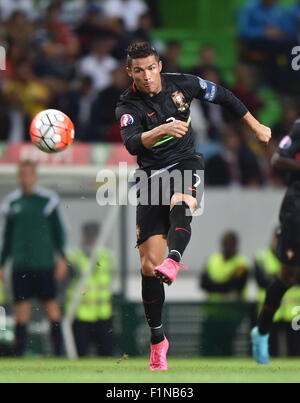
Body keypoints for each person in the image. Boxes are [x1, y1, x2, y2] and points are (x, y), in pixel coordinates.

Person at [115, 41, 271, 371]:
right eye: (139, 70)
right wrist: (161, 129)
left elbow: (225, 96)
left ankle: (175, 259)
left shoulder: (183, 83)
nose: (146, 76)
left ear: (159, 65)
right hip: (150, 177)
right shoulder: (127, 105)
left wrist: (255, 125)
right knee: (147, 265)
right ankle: (158, 339)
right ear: (130, 72)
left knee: (182, 199)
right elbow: (131, 144)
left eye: (151, 67)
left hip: (186, 161)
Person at [0, 160, 68, 356]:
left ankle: (58, 354)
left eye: (29, 174)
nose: (26, 178)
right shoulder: (12, 203)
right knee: (21, 313)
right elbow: (6, 237)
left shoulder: (48, 201)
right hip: (21, 265)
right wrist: (2, 264)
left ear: (35, 176)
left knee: (52, 310)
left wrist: (62, 257)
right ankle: (19, 355)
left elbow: (60, 232)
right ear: (18, 176)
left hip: (45, 264)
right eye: (22, 174)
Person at [251, 119, 300, 364]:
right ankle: (261, 332)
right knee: (287, 277)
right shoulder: (299, 128)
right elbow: (278, 160)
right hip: (296, 212)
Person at [67, 222, 114, 357]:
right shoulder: (74, 257)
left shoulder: (107, 256)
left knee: (106, 352)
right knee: (80, 352)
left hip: (103, 312)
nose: (91, 240)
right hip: (81, 313)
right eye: (89, 236)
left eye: (94, 237)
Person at [200, 231, 249, 356]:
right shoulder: (212, 260)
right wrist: (225, 285)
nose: (227, 247)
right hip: (212, 313)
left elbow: (237, 285)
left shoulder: (241, 263)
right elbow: (204, 283)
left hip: (231, 315)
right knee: (207, 347)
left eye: (230, 244)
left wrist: (215, 285)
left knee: (226, 347)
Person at [254, 229, 300, 357]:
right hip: (271, 312)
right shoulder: (262, 257)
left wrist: (278, 278)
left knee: (295, 350)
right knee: (271, 349)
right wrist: (285, 277)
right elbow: (262, 280)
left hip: (294, 312)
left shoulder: (293, 255)